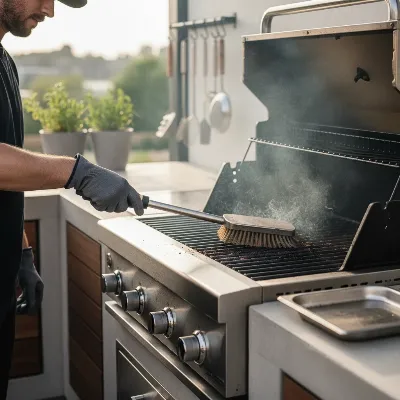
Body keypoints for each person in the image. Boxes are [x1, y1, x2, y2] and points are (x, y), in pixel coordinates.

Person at [0, 0, 144, 397]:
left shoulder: (5, 64)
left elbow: (8, 168)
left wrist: (21, 252)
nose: (49, 10)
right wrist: (77, 173)